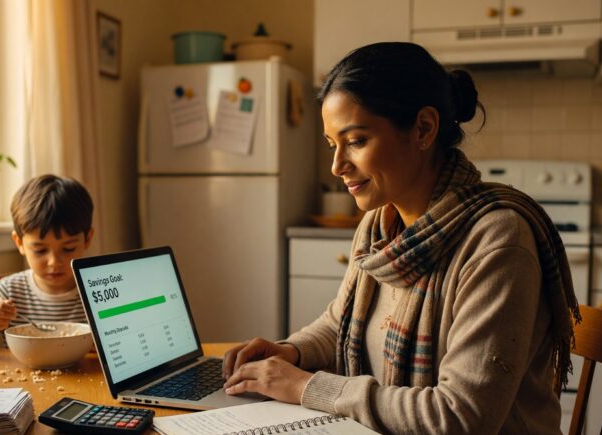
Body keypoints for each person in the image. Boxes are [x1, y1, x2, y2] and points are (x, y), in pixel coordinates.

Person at [221, 42, 579, 434]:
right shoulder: (379, 224)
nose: (337, 166)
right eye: (332, 145)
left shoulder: (497, 240)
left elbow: (461, 418)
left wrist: (306, 385)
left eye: (356, 141)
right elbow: (339, 321)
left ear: (423, 128)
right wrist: (291, 351)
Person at [0, 175, 95, 352]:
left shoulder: (99, 288)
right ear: (19, 243)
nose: (54, 262)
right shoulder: (12, 290)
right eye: (40, 250)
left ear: (87, 240)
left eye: (68, 248)